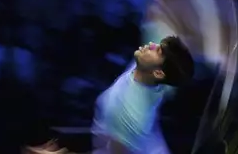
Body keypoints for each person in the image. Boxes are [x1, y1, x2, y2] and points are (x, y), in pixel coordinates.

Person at [28, 30, 195, 154]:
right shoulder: (149, 72)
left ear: (158, 73)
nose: (152, 45)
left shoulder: (128, 113)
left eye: (157, 51)